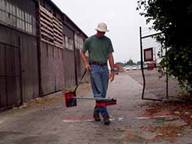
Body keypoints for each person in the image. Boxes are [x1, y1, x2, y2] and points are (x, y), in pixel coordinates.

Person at [80, 22, 115, 125]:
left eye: (103, 32)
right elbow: (81, 52)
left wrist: (112, 70)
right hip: (94, 68)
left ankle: (96, 112)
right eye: (100, 32)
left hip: (104, 68)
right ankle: (105, 115)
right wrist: (86, 63)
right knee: (98, 92)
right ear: (97, 30)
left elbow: (110, 56)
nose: (102, 34)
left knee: (103, 92)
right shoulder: (89, 40)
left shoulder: (108, 41)